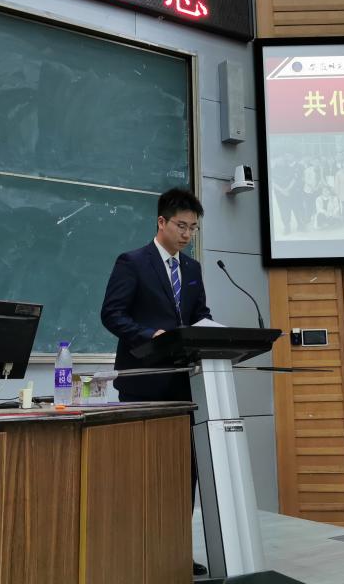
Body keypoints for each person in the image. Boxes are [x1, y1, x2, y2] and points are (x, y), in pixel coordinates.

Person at [100, 187, 211, 577]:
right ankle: (136, 551)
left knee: (182, 475)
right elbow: (112, 314)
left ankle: (177, 550)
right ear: (161, 222)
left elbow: (199, 316)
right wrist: (151, 336)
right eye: (181, 226)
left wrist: (211, 331)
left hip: (184, 385)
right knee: (143, 472)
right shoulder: (132, 262)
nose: (187, 235)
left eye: (193, 228)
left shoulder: (192, 269)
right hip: (143, 384)